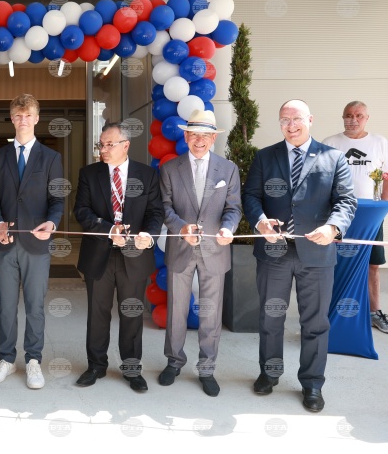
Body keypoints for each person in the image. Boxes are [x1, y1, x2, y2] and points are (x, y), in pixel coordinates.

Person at [243, 99, 356, 412]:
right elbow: (251, 196)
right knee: (270, 318)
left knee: (315, 322)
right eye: (284, 120)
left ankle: (312, 383)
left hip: (317, 254)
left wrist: (333, 227)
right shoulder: (265, 157)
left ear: (310, 120)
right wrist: (260, 222)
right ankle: (269, 373)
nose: (290, 126)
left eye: (296, 119)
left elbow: (346, 201)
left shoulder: (333, 157)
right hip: (273, 251)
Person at [73, 122, 164, 391]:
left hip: (135, 254)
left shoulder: (147, 175)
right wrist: (108, 230)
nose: (103, 149)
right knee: (97, 314)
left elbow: (155, 212)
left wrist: (149, 234)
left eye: (109, 144)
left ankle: (132, 369)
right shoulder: (89, 174)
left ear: (126, 145)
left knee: (132, 314)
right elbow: (82, 211)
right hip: (98, 253)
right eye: (101, 144)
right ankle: (96, 366)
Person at [157, 110, 242, 397]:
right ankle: (174, 362)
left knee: (211, 313)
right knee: (176, 311)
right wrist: (180, 228)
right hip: (181, 247)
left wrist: (228, 227)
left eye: (205, 135)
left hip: (214, 249)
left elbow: (233, 208)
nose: (199, 140)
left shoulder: (228, 169)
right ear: (185, 136)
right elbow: (164, 207)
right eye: (194, 134)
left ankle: (207, 368)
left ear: (213, 138)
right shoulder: (170, 168)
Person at [0, 94, 64, 389]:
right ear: (12, 118)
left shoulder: (51, 158)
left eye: (28, 115)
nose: (23, 120)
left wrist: (52, 224)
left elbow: (57, 200)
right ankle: (6, 358)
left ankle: (33, 360)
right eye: (18, 115)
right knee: (6, 306)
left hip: (36, 244)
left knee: (34, 306)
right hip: (5, 242)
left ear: (36, 118)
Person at [322, 101, 388, 334]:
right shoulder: (330, 143)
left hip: (370, 215)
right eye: (348, 115)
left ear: (366, 118)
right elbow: (321, 179)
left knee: (372, 264)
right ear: (343, 117)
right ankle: (329, 312)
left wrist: (383, 207)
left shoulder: (380, 143)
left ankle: (374, 313)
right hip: (338, 214)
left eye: (359, 115)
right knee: (333, 262)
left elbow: (387, 178)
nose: (353, 119)